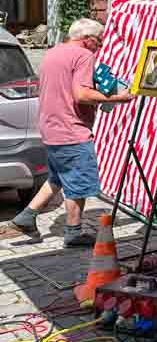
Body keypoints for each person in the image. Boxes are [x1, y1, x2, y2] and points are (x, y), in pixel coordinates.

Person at [9, 18, 133, 245]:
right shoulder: (85, 56)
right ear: (87, 40)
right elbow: (81, 95)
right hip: (71, 129)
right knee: (78, 182)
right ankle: (74, 232)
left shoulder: (53, 52)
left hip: (50, 126)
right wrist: (118, 97)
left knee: (58, 176)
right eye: (99, 41)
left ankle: (27, 217)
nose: (101, 46)